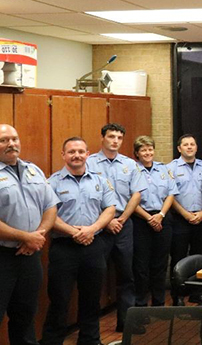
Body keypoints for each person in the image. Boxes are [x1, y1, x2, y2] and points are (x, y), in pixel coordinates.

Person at [41, 137, 116, 345]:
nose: (77, 155)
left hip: (93, 245)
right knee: (59, 300)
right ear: (63, 155)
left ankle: (90, 340)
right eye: (72, 151)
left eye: (81, 151)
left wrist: (92, 229)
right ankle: (52, 341)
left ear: (88, 154)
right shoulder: (52, 182)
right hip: (64, 249)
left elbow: (110, 208)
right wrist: (74, 232)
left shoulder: (100, 181)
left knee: (91, 299)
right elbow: (48, 214)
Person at [0, 124, 58, 345]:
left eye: (14, 139)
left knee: (26, 315)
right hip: (2, 256)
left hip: (30, 255)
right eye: (4, 140)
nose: (11, 144)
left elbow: (50, 206)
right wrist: (25, 237)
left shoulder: (33, 170)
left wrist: (37, 236)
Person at [86, 123, 145, 332]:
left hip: (123, 224)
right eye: (111, 136)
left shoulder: (129, 165)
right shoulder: (89, 163)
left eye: (119, 138)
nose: (115, 141)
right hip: (99, 226)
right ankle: (91, 330)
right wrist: (106, 221)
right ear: (102, 138)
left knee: (126, 275)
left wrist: (121, 219)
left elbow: (136, 194)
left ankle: (126, 324)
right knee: (93, 277)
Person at [166, 134, 202, 305]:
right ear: (179, 148)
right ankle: (177, 296)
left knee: (200, 256)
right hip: (179, 219)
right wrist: (185, 214)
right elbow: (170, 196)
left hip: (201, 218)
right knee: (178, 257)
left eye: (192, 144)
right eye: (185, 144)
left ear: (196, 147)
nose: (189, 147)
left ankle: (198, 292)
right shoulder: (170, 168)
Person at [132, 136, 177, 307]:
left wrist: (161, 215)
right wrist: (148, 217)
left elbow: (171, 194)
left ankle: (159, 303)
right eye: (143, 150)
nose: (148, 152)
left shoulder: (163, 169)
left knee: (160, 263)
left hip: (163, 218)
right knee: (141, 265)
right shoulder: (132, 170)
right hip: (140, 220)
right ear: (137, 153)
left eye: (150, 149)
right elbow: (131, 199)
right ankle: (141, 305)